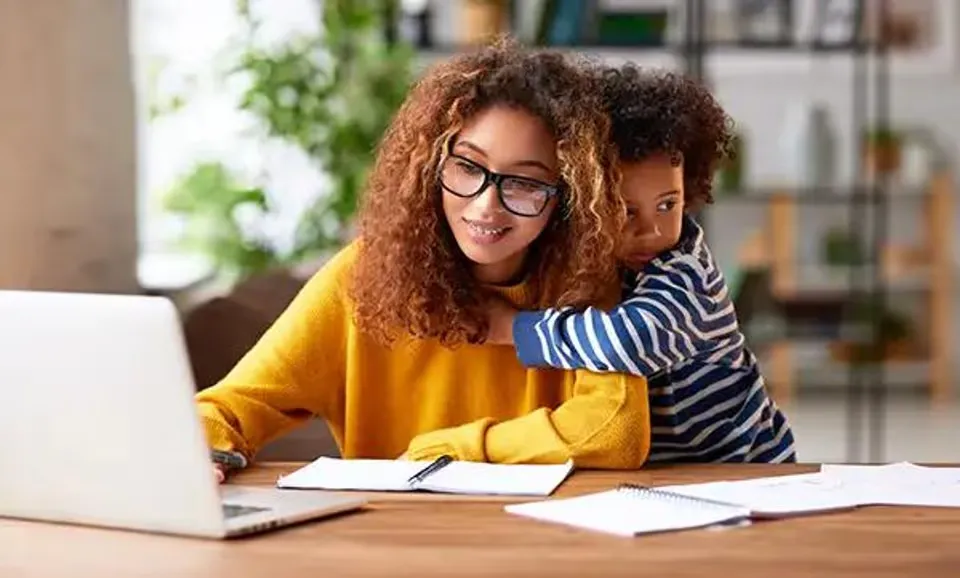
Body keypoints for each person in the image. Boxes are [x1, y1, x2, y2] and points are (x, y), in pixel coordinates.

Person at [196, 40, 650, 482]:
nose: (486, 206)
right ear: (432, 166)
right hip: (392, 537)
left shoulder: (586, 283)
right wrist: (207, 447)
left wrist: (455, 449)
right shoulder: (361, 275)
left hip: (543, 540)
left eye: (524, 183)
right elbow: (229, 407)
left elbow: (616, 431)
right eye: (468, 168)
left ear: (567, 197)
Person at [486, 65, 797, 464]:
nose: (651, 230)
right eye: (624, 210)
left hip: (746, 467)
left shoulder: (686, 276)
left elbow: (629, 341)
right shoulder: (596, 263)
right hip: (667, 472)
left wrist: (511, 328)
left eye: (668, 204)